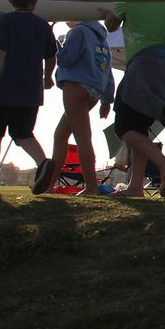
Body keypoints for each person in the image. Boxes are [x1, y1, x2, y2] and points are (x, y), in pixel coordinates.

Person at [0, 0, 59, 200]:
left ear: (10, 0)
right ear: (34, 2)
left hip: (5, 85)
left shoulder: (3, 21)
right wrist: (47, 77)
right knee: (23, 133)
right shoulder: (43, 24)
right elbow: (51, 55)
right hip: (31, 89)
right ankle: (43, 162)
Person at [100, 0, 165, 198]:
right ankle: (135, 187)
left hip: (142, 67)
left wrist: (107, 13)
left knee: (123, 128)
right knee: (139, 130)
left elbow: (111, 26)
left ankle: (164, 164)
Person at [47, 17, 114, 195]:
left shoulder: (78, 32)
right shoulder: (103, 39)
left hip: (75, 85)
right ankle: (50, 184)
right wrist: (107, 100)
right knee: (61, 134)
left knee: (82, 137)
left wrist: (57, 45)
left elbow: (65, 60)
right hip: (95, 90)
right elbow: (108, 71)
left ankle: (91, 187)